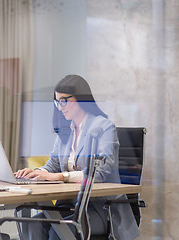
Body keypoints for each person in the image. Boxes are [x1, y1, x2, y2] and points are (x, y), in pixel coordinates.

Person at [15, 75, 140, 240]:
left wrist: (60, 176)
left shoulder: (103, 127)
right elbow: (53, 165)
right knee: (31, 224)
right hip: (69, 206)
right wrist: (36, 172)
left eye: (64, 101)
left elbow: (99, 173)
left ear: (81, 98)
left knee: (58, 232)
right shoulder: (66, 131)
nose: (60, 107)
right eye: (57, 102)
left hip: (100, 210)